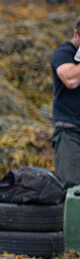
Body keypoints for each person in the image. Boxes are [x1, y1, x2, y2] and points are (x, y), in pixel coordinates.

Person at [51, 17, 80, 187]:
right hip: (69, 133)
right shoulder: (63, 53)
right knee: (73, 189)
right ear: (76, 33)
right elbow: (70, 79)